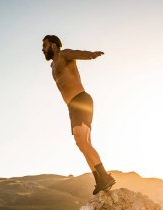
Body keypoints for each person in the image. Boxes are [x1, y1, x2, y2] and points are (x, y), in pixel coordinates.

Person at [42, 35, 116, 195]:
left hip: (81, 100)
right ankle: (100, 179)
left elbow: (79, 53)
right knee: (81, 143)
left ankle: (104, 176)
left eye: (45, 45)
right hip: (72, 106)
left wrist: (92, 54)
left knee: (81, 138)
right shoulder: (52, 66)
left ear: (54, 45)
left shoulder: (64, 55)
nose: (43, 49)